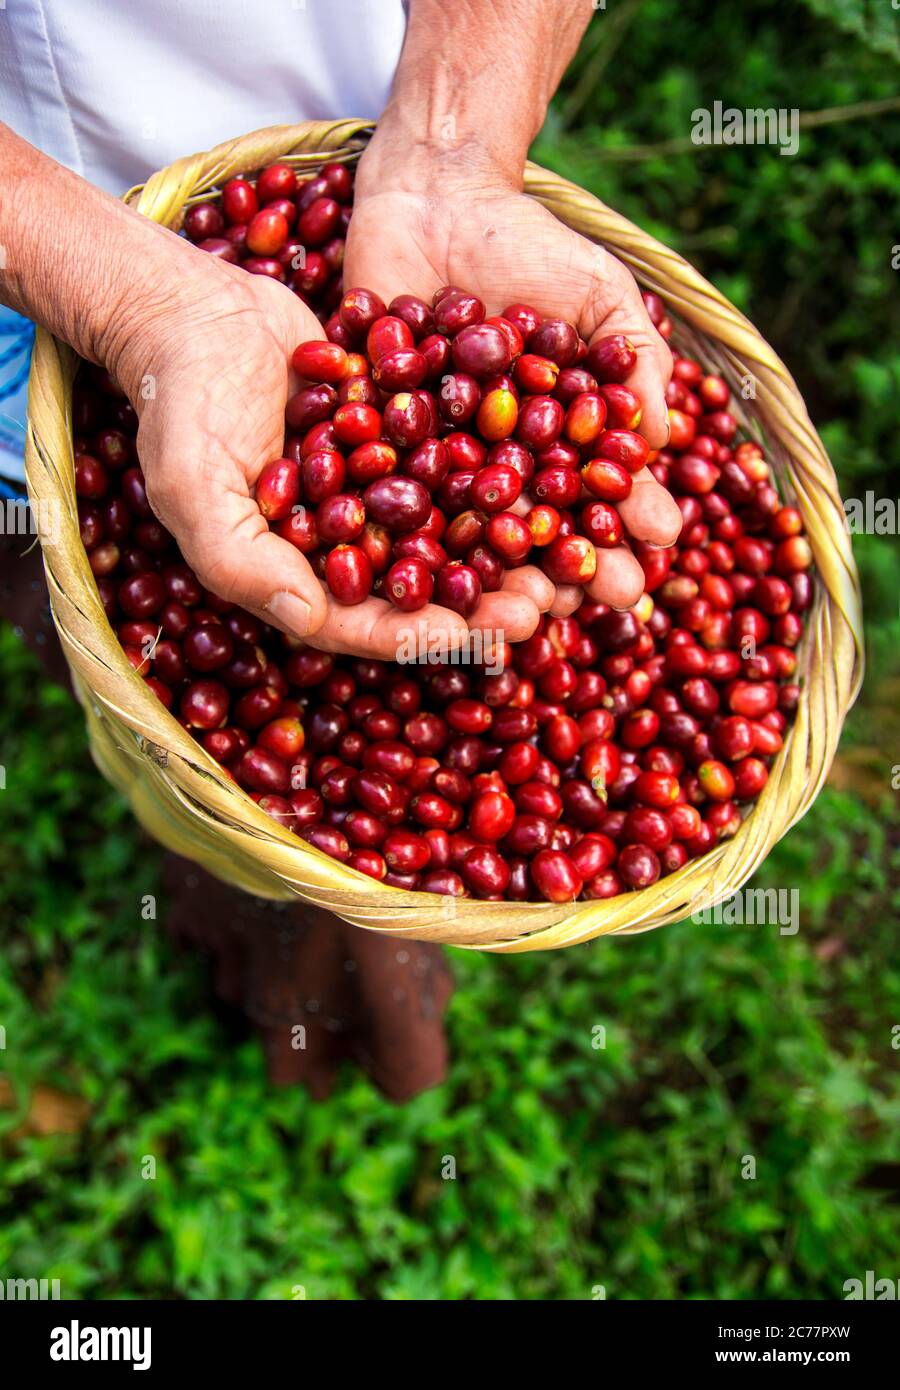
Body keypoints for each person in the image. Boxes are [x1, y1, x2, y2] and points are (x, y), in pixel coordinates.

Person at [0, 0, 679, 1097]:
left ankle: (323, 981)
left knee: (326, 821)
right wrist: (125, 296)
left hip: (366, 166)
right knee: (114, 613)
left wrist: (458, 141)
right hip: (26, 253)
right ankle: (224, 884)